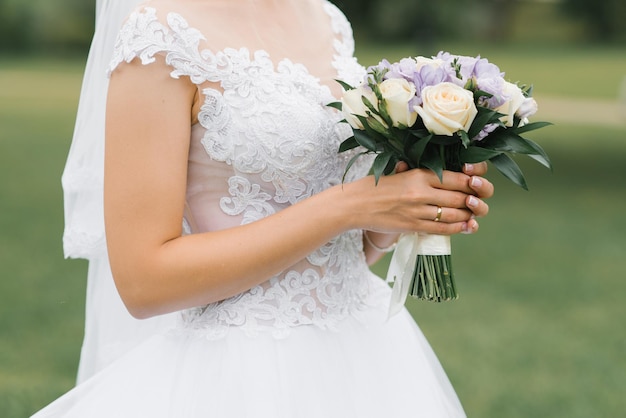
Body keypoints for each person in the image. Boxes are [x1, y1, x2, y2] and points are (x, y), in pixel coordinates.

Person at [35, 0, 494, 416]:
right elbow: (143, 281)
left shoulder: (327, 19)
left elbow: (345, 251)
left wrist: (406, 198)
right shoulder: (159, 34)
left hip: (368, 347)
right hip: (241, 370)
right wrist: (350, 205)